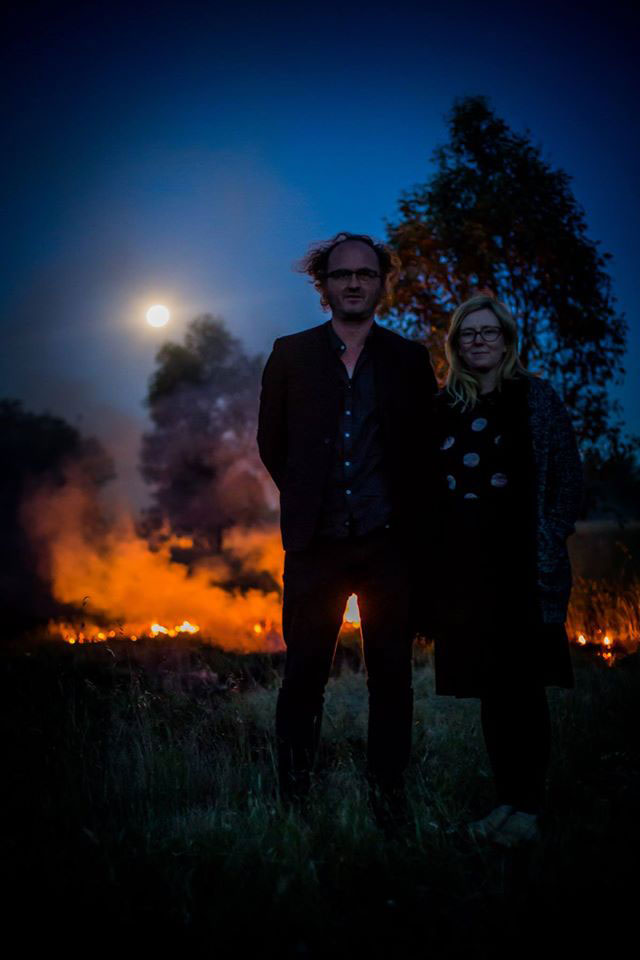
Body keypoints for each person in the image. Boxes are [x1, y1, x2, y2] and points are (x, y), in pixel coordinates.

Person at [257, 232, 436, 817]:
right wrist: (310, 499)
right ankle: (295, 801)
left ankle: (388, 800)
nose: (354, 282)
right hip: (316, 546)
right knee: (303, 676)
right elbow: (272, 443)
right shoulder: (290, 354)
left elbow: (425, 450)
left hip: (390, 548)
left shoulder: (409, 360)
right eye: (341, 275)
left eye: (365, 273)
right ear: (324, 286)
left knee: (392, 681)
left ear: (381, 282)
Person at [428, 293, 583, 847]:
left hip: (521, 568)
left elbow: (568, 480)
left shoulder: (535, 399)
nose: (479, 341)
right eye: (468, 334)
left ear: (507, 340)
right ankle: (506, 803)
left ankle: (531, 808)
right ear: (455, 343)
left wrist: (548, 534)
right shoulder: (445, 406)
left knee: (523, 690)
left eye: (489, 332)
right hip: (465, 572)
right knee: (492, 691)